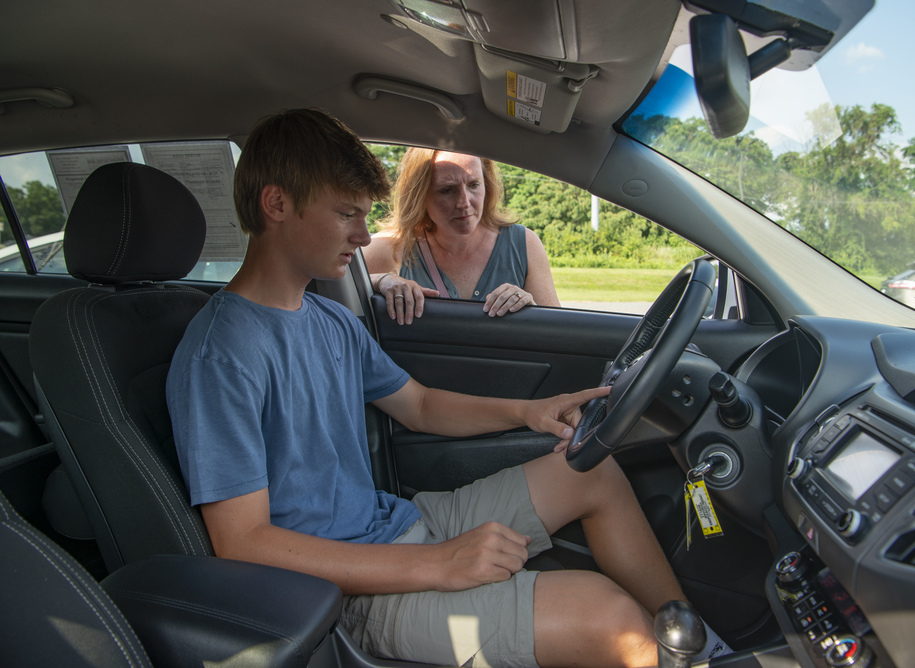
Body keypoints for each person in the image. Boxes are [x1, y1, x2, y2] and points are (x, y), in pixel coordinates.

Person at [167, 108, 728, 668]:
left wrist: (529, 411)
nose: (364, 235)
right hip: (344, 591)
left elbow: (419, 404)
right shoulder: (222, 353)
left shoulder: (327, 318)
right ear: (276, 204)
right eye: (346, 215)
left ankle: (698, 648)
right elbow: (243, 543)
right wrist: (439, 564)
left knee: (591, 470)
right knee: (614, 626)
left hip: (400, 523)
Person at [365, 148, 560, 325]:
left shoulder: (525, 244)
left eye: (474, 185)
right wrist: (380, 281)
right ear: (420, 195)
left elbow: (559, 336)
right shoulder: (391, 246)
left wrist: (531, 309)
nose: (464, 203)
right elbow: (337, 293)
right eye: (447, 190)